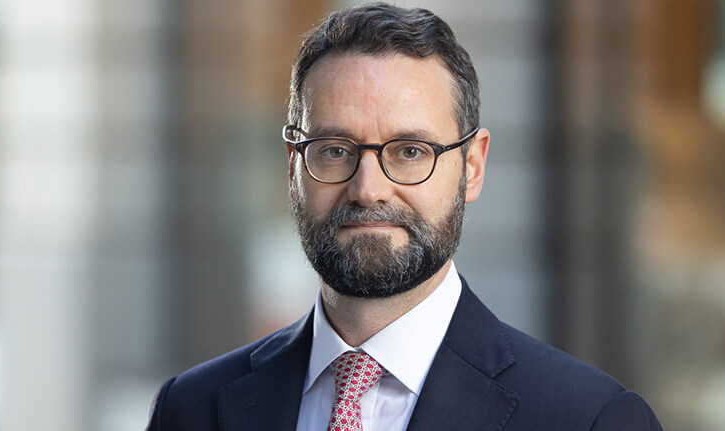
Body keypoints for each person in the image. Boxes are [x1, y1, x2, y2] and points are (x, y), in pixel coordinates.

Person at [147, 3, 663, 430]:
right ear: (293, 168)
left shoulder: (589, 419)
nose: (368, 189)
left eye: (410, 151)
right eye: (335, 150)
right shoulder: (191, 410)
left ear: (472, 167)